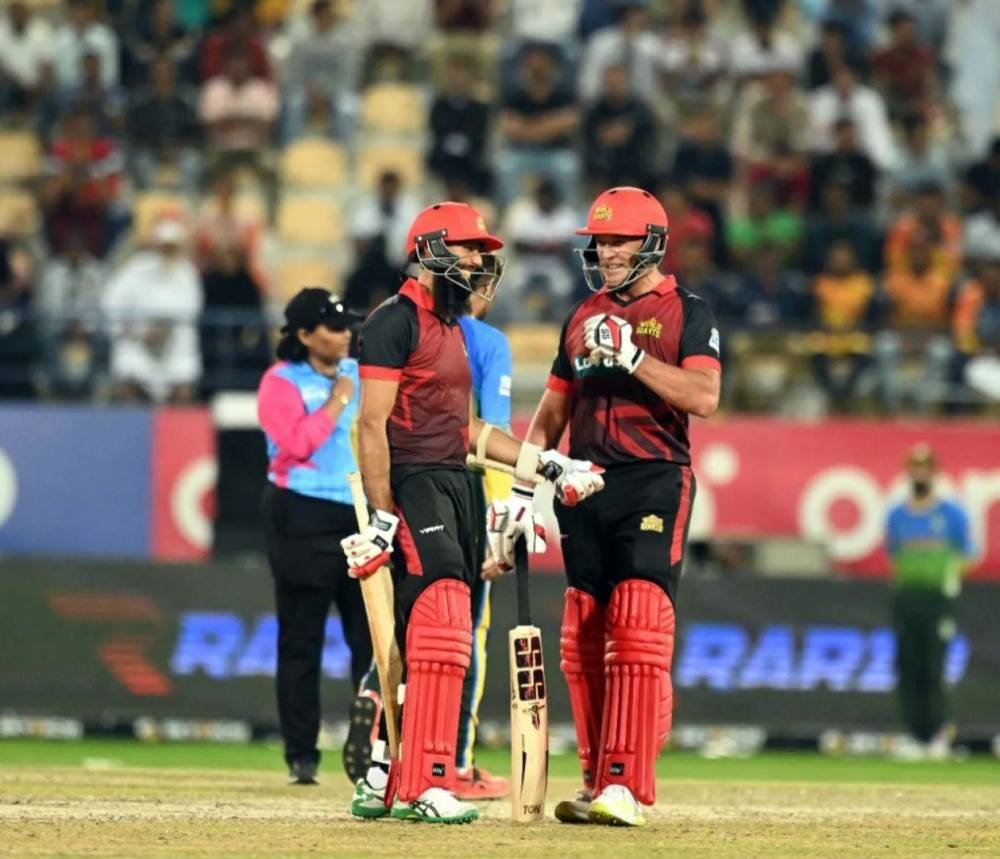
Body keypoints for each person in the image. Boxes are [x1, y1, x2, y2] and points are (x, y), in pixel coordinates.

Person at [344, 201, 604, 824]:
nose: (479, 262)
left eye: (482, 253)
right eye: (467, 250)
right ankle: (425, 781)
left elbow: (467, 432)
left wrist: (547, 466)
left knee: (437, 632)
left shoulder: (454, 329)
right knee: (441, 625)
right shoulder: (393, 322)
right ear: (431, 248)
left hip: (454, 483)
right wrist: (381, 516)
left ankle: (385, 771)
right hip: (412, 483)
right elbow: (370, 425)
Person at [514, 186, 721, 827]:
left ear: (653, 244)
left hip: (654, 479)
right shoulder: (579, 316)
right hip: (584, 481)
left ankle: (627, 785)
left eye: (617, 241)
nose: (604, 252)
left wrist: (633, 358)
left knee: (637, 623)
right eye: (598, 241)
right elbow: (552, 412)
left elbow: (704, 396)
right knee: (584, 634)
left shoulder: (687, 309)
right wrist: (522, 491)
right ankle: (598, 777)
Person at [256, 287, 376, 786]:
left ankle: (373, 751)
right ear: (304, 335)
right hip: (300, 514)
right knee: (301, 639)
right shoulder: (280, 381)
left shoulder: (359, 374)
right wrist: (336, 401)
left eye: (348, 325)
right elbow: (297, 443)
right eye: (333, 327)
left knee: (369, 639)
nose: (346, 334)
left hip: (358, 513)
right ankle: (301, 756)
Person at [454, 292, 512, 801]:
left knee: (411, 620)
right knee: (467, 630)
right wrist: (500, 518)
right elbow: (490, 435)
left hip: (407, 486)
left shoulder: (395, 328)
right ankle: (456, 761)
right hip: (466, 492)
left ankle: (389, 751)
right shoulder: (485, 341)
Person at [885, 444, 974, 760]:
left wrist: (946, 575)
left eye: (925, 467)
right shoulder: (896, 515)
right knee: (908, 666)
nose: (919, 473)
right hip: (907, 598)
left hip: (937, 599)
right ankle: (914, 734)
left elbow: (968, 555)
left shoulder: (951, 515)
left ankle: (937, 734)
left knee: (933, 666)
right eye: (914, 467)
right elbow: (894, 556)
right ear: (908, 471)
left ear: (934, 472)